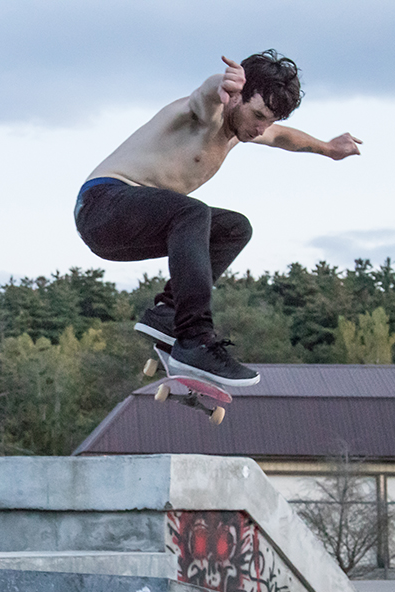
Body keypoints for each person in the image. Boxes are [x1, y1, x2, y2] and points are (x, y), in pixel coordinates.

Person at [74, 50, 361, 386]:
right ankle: (195, 338)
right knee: (192, 211)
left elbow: (284, 137)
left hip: (129, 228)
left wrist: (328, 148)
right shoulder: (204, 113)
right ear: (236, 96)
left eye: (268, 119)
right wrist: (219, 83)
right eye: (257, 115)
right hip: (102, 206)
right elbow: (204, 95)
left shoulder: (243, 129)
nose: (260, 128)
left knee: (233, 229)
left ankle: (169, 314)